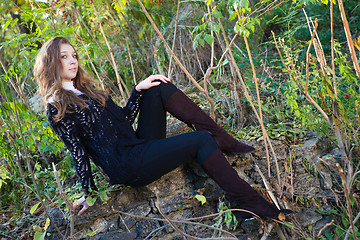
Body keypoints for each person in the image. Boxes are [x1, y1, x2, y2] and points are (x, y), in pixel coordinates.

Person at [34, 36, 292, 219]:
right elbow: (79, 153)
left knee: (158, 88)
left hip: (137, 145)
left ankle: (221, 138)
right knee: (200, 140)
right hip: (126, 165)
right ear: (50, 64)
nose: (72, 61)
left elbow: (123, 120)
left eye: (74, 55)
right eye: (64, 57)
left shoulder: (87, 90)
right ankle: (251, 205)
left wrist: (137, 90)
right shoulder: (58, 106)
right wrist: (88, 193)